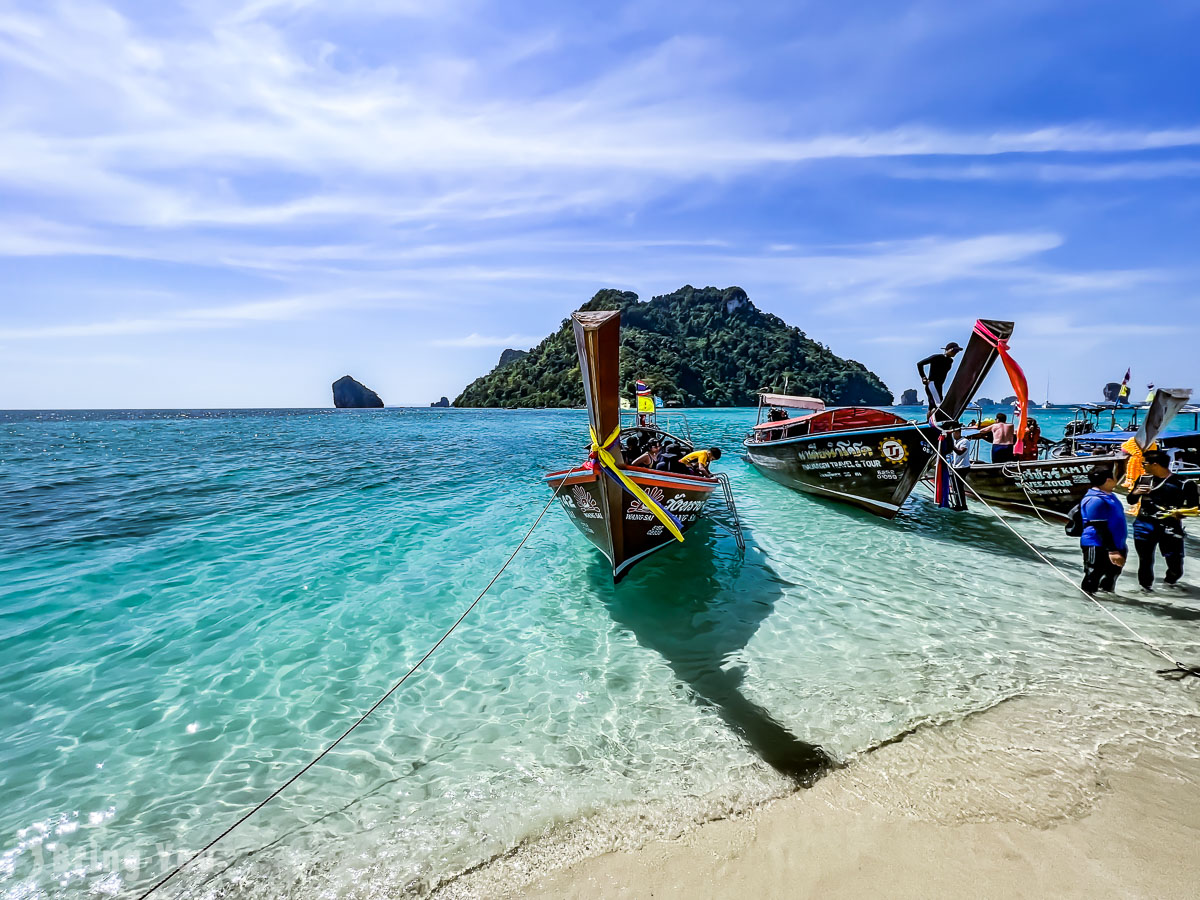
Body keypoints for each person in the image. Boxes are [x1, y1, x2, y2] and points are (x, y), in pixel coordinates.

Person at [1125, 449, 1198, 591]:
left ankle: (1169, 585)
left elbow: (1194, 506)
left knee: (1175, 564)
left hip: (1170, 525)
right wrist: (1136, 492)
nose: (1142, 466)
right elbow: (1131, 501)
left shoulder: (1184, 483)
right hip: (1144, 524)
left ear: (1155, 464)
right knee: (1145, 560)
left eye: (1144, 463)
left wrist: (1181, 513)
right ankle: (1146, 591)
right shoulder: (1143, 479)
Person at [1079, 465, 1127, 595]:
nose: (1117, 479)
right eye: (1115, 476)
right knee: (1093, 574)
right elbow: (1099, 527)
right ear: (1108, 480)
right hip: (1096, 544)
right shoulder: (1095, 499)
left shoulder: (1109, 495)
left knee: (1111, 576)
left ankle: (1106, 605)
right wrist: (1112, 551)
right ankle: (1086, 604)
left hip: (1116, 544)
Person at [916, 342, 963, 413]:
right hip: (932, 384)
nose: (955, 353)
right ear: (948, 350)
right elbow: (920, 364)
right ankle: (934, 421)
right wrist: (923, 377)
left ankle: (930, 422)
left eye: (957, 351)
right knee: (938, 405)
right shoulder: (937, 357)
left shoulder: (950, 361)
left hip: (939, 385)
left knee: (934, 404)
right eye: (954, 350)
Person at [946, 424, 971, 511]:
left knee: (959, 487)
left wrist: (952, 446)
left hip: (963, 467)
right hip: (956, 466)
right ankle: (958, 503)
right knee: (955, 487)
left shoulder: (965, 441)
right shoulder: (956, 441)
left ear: (958, 432)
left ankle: (962, 505)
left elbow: (960, 452)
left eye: (954, 433)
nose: (953, 435)